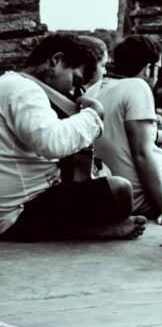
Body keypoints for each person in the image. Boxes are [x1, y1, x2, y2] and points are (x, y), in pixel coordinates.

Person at [0, 33, 145, 241]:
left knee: (110, 187)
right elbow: (51, 143)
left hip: (21, 205)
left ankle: (76, 228)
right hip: (17, 212)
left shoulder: (10, 84)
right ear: (56, 61)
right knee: (120, 190)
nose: (71, 90)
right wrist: (93, 116)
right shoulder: (23, 89)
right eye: (75, 80)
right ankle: (81, 230)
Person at [87, 35, 162, 226]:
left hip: (119, 188)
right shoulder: (137, 86)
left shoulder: (94, 91)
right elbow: (141, 153)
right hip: (157, 191)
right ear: (149, 68)